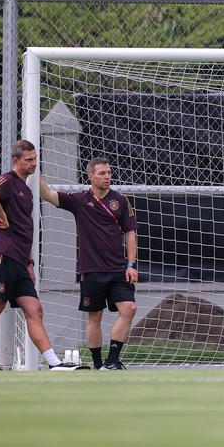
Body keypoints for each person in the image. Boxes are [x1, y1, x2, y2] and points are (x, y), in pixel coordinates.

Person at [0, 140, 83, 370]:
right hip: (2, 253)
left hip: (19, 259)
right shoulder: (8, 180)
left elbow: (25, 229)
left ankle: (54, 363)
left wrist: (29, 263)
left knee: (34, 308)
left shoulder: (25, 188)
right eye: (28, 160)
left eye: (35, 158)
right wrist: (3, 216)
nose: (33, 163)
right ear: (16, 161)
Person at [40, 157, 139, 370]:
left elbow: (130, 233)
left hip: (118, 270)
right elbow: (47, 194)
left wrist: (131, 264)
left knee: (129, 308)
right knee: (94, 317)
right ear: (90, 177)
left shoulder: (120, 201)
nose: (108, 177)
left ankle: (112, 361)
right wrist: (35, 171)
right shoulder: (79, 200)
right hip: (91, 270)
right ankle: (97, 365)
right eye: (102, 173)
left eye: (109, 173)